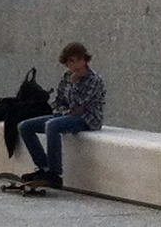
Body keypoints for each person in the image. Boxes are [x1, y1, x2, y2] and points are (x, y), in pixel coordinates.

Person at [15, 42, 105, 188]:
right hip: (66, 115)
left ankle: (55, 173)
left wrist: (74, 84)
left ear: (85, 60)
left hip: (88, 119)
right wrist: (67, 110)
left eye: (78, 60)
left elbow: (80, 104)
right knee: (25, 126)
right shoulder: (66, 76)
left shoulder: (94, 79)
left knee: (52, 126)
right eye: (71, 61)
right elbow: (58, 102)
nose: (75, 65)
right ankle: (44, 168)